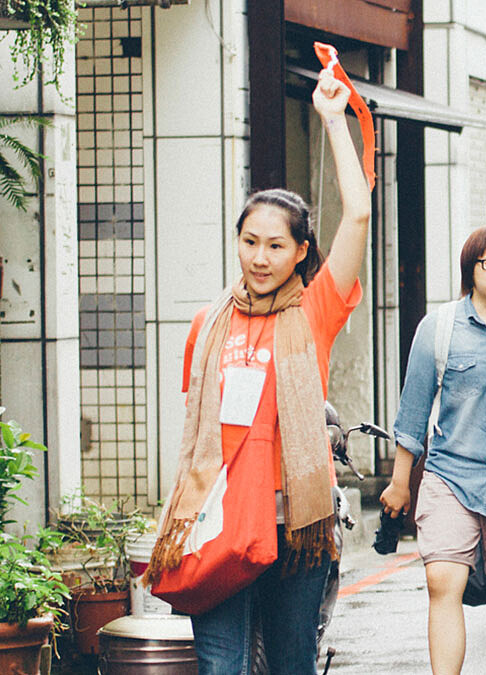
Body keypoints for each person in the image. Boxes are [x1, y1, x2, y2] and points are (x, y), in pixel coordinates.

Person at [146, 69, 370, 674]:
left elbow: (357, 217)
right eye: (250, 242)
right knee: (220, 666)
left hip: (294, 527)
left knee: (292, 663)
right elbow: (200, 438)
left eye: (276, 246)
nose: (260, 257)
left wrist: (331, 120)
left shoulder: (314, 311)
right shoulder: (207, 322)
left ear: (300, 252)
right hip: (219, 525)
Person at [385, 225, 486, 675]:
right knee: (444, 581)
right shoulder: (439, 327)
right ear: (471, 268)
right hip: (451, 475)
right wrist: (400, 484)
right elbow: (413, 410)